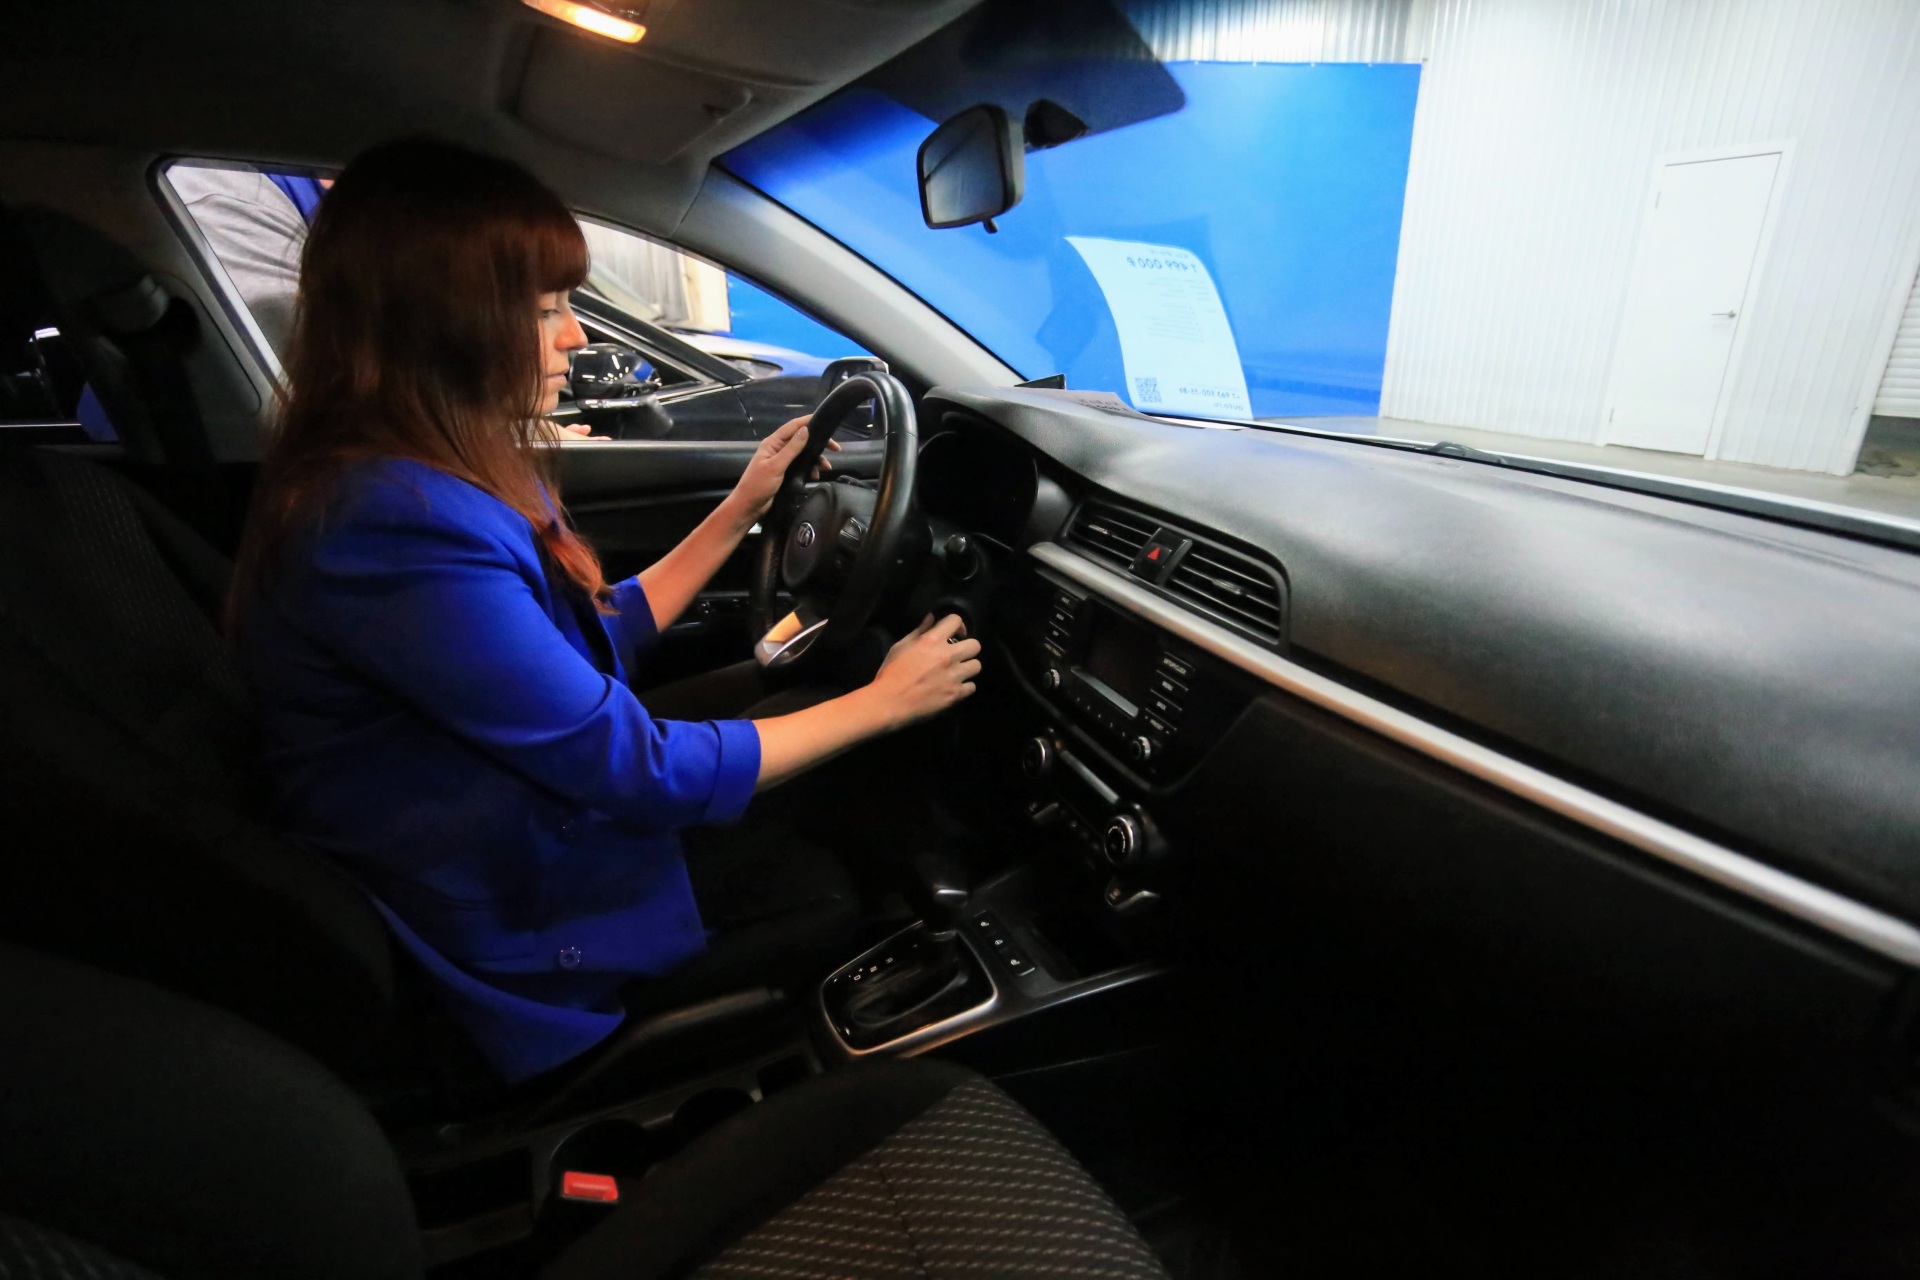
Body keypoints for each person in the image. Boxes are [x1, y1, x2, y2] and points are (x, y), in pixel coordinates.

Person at [230, 138, 980, 1081]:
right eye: (545, 310)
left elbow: (592, 628)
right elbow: (634, 769)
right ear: (443, 324)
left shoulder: (425, 466)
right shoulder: (391, 522)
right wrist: (886, 704)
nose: (577, 337)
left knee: (806, 702)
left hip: (516, 810)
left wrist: (742, 506)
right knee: (850, 813)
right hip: (515, 907)